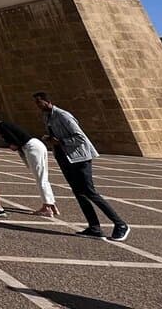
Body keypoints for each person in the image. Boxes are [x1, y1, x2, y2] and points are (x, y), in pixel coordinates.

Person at [34, 91, 129, 242]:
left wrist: (61, 141)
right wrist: (51, 139)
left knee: (89, 191)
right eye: (36, 103)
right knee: (79, 193)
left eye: (39, 103)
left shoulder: (63, 115)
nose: (38, 106)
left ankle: (120, 224)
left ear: (47, 101)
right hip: (65, 158)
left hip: (80, 157)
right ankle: (94, 227)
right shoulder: (46, 116)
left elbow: (80, 137)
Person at [0, 119, 59, 217]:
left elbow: (15, 144)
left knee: (40, 179)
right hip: (35, 146)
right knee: (43, 178)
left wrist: (8, 143)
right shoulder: (6, 125)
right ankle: (51, 204)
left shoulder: (3, 127)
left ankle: (47, 207)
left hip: (32, 148)